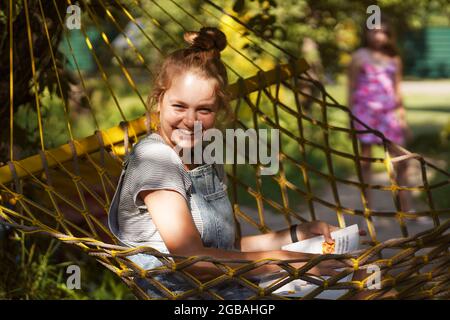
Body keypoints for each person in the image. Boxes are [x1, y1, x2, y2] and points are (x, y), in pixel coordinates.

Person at [108, 27, 352, 300]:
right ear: (158, 101)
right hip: (187, 297)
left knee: (361, 276)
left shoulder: (204, 156)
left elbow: (228, 249)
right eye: (179, 106)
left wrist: (297, 234)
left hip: (227, 288)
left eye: (204, 110)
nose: (190, 121)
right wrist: (290, 261)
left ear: (219, 110)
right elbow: (195, 262)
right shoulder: (155, 159)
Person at [348, 19, 411, 212]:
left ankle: (406, 208)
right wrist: (350, 120)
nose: (378, 36)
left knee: (402, 160)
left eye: (383, 32)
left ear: (389, 35)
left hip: (389, 115)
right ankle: (369, 209)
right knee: (365, 162)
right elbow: (351, 89)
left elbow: (397, 90)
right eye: (374, 32)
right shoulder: (359, 57)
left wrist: (403, 119)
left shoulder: (394, 58)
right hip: (365, 113)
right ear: (367, 34)